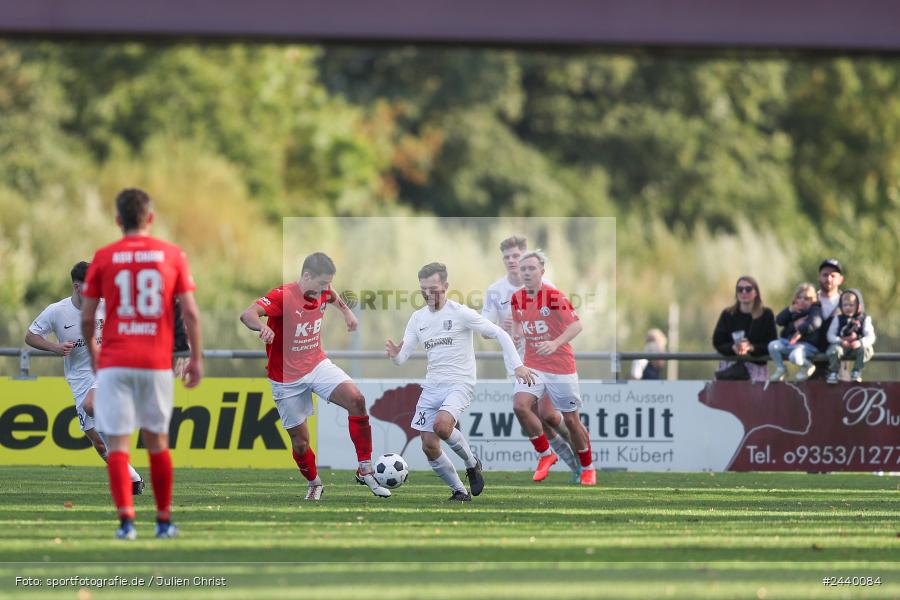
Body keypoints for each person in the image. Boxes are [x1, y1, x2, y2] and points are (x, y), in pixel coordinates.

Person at [81, 188, 203, 541]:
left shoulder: (103, 258)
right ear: (150, 218)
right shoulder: (172, 255)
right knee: (157, 443)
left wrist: (93, 353)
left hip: (116, 363)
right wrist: (196, 358)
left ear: (118, 220)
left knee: (118, 446)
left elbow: (88, 318)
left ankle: (126, 524)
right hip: (155, 362)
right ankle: (163, 522)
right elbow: (191, 312)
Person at [240, 252, 390, 501]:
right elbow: (248, 315)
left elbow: (333, 294)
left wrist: (347, 313)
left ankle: (365, 469)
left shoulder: (323, 289)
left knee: (357, 399)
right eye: (321, 283)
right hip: (286, 379)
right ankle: (314, 483)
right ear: (306, 276)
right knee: (301, 443)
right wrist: (263, 326)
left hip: (317, 365)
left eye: (327, 283)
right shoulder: (283, 296)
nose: (325, 288)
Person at [386, 262, 534, 501]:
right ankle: (459, 491)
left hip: (460, 383)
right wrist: (395, 356)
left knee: (442, 426)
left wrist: (517, 365)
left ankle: (472, 463)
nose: (428, 294)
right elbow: (403, 357)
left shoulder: (460, 313)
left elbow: (500, 333)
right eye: (423, 289)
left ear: (445, 286)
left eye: (433, 288)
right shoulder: (418, 318)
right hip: (432, 386)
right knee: (428, 446)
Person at [25, 262, 143, 495]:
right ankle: (135, 481)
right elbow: (30, 336)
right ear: (78, 287)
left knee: (92, 405)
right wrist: (54, 347)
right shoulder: (56, 311)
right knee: (99, 444)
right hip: (78, 379)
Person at [481, 235, 580, 482]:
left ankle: (580, 458)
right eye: (507, 257)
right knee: (533, 421)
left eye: (516, 256)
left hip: (545, 363)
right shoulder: (495, 291)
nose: (512, 261)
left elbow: (563, 323)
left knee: (548, 415)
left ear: (527, 258)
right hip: (517, 366)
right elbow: (484, 329)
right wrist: (500, 328)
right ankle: (572, 463)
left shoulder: (547, 286)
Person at [511, 251, 597, 486]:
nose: (527, 272)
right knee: (520, 405)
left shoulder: (553, 296)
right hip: (533, 365)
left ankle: (588, 467)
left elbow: (577, 325)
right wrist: (516, 334)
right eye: (523, 269)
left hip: (560, 367)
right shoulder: (517, 298)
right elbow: (518, 322)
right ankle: (545, 454)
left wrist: (555, 343)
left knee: (571, 421)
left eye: (531, 268)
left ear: (542, 272)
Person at [711, 276, 777, 383]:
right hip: (729, 371)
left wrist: (751, 348)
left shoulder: (766, 315)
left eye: (748, 289)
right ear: (736, 293)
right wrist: (733, 347)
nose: (744, 292)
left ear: (756, 292)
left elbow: (772, 344)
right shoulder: (727, 314)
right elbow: (717, 342)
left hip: (757, 371)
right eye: (740, 289)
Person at [768, 283, 823, 382]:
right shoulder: (793, 310)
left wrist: (800, 331)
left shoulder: (815, 310)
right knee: (772, 345)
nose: (802, 300)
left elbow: (815, 322)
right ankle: (781, 369)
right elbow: (779, 321)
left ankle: (808, 366)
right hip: (790, 343)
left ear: (813, 300)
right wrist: (789, 311)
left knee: (794, 357)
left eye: (806, 299)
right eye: (799, 297)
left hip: (807, 345)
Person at [825, 289, 876, 383]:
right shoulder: (838, 318)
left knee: (866, 349)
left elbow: (870, 336)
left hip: (857, 348)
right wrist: (840, 341)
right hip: (842, 346)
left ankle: (856, 371)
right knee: (834, 350)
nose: (848, 308)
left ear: (858, 306)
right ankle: (833, 372)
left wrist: (860, 342)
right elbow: (830, 335)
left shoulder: (864, 319)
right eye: (845, 305)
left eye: (851, 305)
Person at [812, 259, 845, 379]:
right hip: (812, 368)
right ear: (818, 277)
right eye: (825, 275)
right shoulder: (808, 301)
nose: (829, 279)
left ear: (841, 279)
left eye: (833, 275)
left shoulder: (848, 304)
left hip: (840, 369)